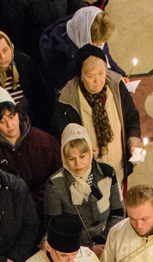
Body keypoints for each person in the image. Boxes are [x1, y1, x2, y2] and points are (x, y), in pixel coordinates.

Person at [52, 47, 140, 177]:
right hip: (87, 176)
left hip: (118, 170)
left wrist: (133, 144)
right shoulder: (66, 101)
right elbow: (59, 138)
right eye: (90, 76)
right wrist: (80, 150)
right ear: (80, 76)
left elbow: (131, 118)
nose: (97, 80)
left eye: (101, 73)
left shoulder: (116, 87)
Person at [44, 123, 124, 245]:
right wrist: (88, 247)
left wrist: (104, 241)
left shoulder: (107, 173)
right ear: (64, 158)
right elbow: (56, 228)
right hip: (74, 247)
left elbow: (118, 213)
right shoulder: (55, 184)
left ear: (91, 153)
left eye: (82, 156)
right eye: (71, 159)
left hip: (109, 240)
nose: (78, 164)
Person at [0, 85, 61, 190]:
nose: (9, 125)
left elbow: (59, 175)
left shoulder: (44, 141)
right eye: (2, 121)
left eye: (11, 117)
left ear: (18, 114)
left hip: (47, 201)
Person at [0, 29, 43, 119]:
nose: (3, 57)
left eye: (5, 50)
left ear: (11, 47)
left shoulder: (25, 64)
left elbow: (41, 99)